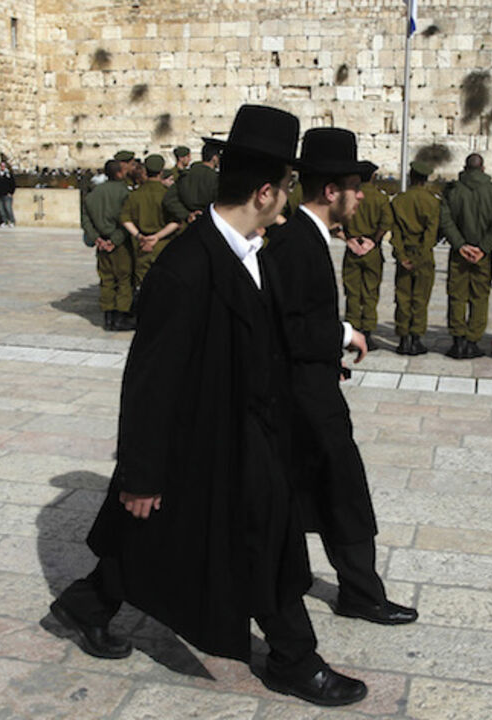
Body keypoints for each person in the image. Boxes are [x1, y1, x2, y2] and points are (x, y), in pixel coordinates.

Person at [51, 104, 367, 708]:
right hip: (206, 440)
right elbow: (148, 381)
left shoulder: (250, 251)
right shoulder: (187, 268)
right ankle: (294, 659)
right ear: (266, 191)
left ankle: (86, 603)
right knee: (260, 538)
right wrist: (141, 474)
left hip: (248, 434)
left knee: (196, 536)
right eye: (285, 189)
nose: (287, 203)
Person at [264, 126, 418, 633]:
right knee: (343, 493)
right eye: (356, 185)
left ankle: (348, 586)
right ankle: (360, 594)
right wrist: (343, 335)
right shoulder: (295, 243)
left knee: (308, 495)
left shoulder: (303, 237)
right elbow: (289, 327)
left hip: (307, 392)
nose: (361, 195)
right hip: (306, 399)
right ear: (332, 191)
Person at [439, 153, 492, 359]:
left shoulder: (453, 191)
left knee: (457, 296)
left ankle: (458, 341)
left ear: (465, 168)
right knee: (479, 297)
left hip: (459, 253)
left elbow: (446, 220)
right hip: (482, 255)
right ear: (482, 168)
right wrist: (483, 248)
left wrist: (460, 245)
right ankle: (472, 341)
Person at [389, 160, 441, 355]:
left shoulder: (398, 201)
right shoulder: (433, 202)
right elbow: (430, 235)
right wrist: (419, 259)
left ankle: (403, 339)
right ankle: (416, 339)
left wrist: (402, 256)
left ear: (411, 177)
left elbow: (395, 233)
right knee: (420, 298)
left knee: (403, 298)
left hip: (405, 255)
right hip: (424, 258)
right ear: (425, 179)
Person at [341, 170, 392, 349]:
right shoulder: (380, 198)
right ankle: (368, 333)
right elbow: (386, 223)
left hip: (353, 248)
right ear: (373, 176)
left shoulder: (350, 196)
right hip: (372, 250)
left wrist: (349, 239)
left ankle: (352, 331)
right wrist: (373, 240)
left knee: (353, 293)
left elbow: (340, 219)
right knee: (370, 293)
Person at [82, 159, 135, 331]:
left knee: (106, 279)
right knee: (124, 280)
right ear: (119, 173)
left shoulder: (93, 193)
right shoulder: (125, 193)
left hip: (101, 245)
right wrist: (115, 240)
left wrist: (97, 238)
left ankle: (108, 317)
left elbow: (86, 220)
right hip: (119, 245)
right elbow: (127, 219)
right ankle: (121, 317)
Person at [121, 154, 182, 288]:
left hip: (142, 246)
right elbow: (176, 221)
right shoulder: (168, 194)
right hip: (164, 244)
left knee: (144, 286)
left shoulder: (135, 195)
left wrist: (140, 236)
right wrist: (156, 237)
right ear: (161, 171)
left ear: (145, 171)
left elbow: (125, 219)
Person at [0, 161, 17, 227]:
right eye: (1, 166)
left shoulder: (9, 174)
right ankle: (4, 221)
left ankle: (12, 221)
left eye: (3, 166)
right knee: (1, 209)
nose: (2, 167)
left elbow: (13, 184)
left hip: (7, 194)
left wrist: (11, 192)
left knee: (8, 208)